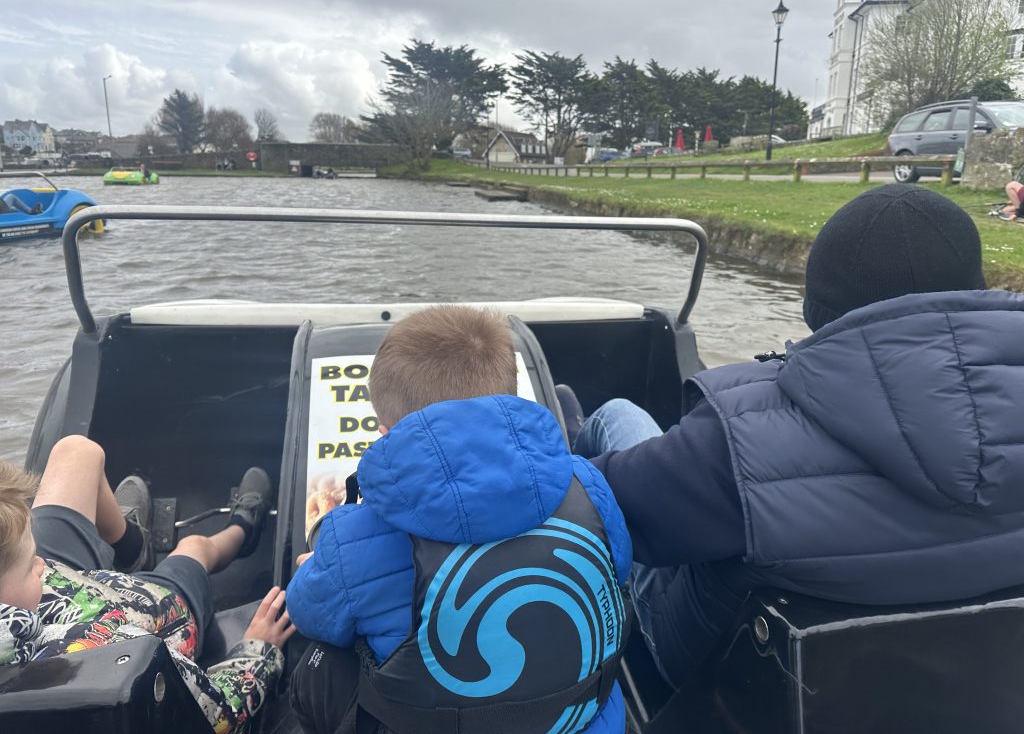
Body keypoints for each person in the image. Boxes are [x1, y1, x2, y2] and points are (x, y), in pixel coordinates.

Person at [574, 184, 1024, 690]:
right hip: (970, 684)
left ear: (818, 309)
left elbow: (594, 513)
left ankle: (572, 426)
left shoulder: (733, 442)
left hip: (727, 676)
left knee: (616, 416)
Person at [286, 305, 632, 734]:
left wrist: (322, 562)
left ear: (385, 430)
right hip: (587, 721)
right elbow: (618, 568)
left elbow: (307, 613)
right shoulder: (587, 484)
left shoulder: (352, 538)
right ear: (511, 399)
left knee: (316, 660)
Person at [0, 434, 294, 733]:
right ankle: (243, 530)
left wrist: (25, 563)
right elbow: (217, 716)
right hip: (150, 613)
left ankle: (134, 547)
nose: (40, 564)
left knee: (76, 452)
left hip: (53, 589)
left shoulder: (22, 581)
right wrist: (258, 650)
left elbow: (36, 569)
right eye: (30, 563)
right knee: (194, 548)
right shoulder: (109, 651)